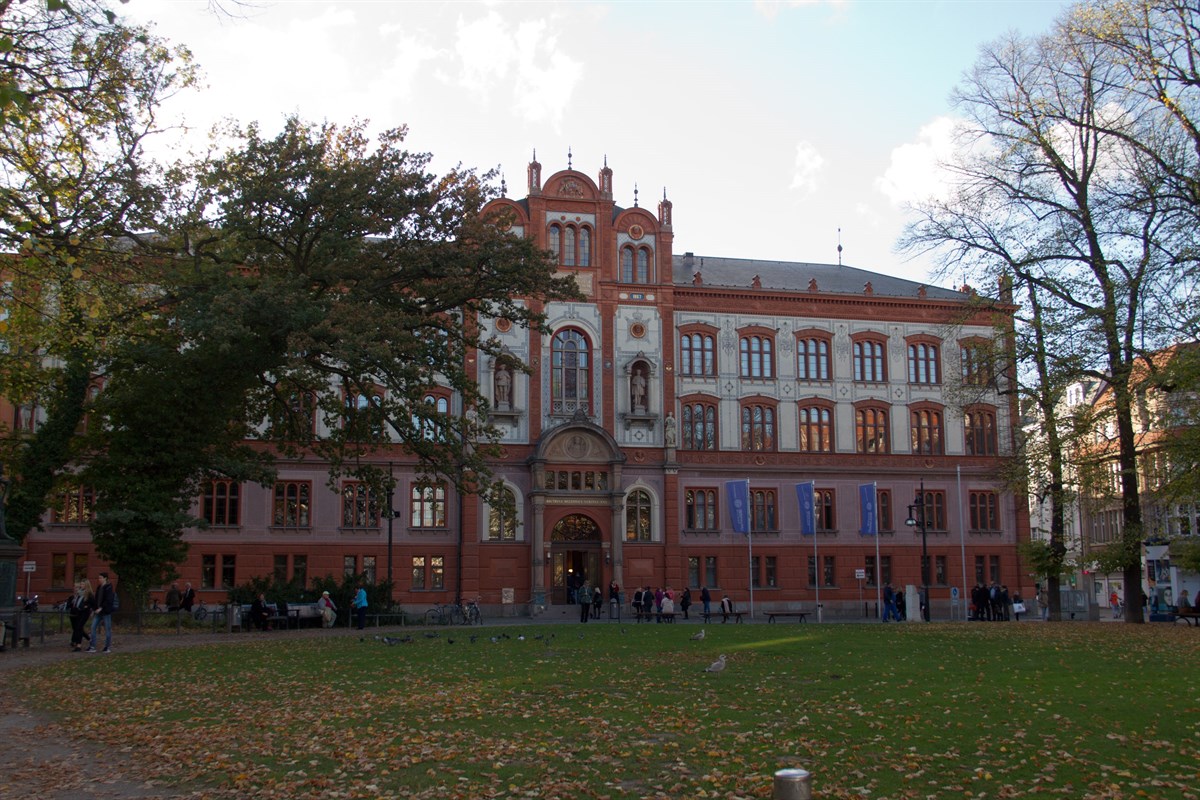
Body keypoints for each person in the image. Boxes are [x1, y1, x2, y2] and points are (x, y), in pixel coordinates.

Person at [88, 572, 115, 653]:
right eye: (99, 578)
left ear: (105, 578)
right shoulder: (99, 587)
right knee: (93, 627)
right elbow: (96, 600)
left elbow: (108, 600)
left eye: (100, 578)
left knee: (107, 629)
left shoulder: (109, 587)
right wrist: (94, 609)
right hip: (98, 611)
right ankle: (92, 646)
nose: (99, 579)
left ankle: (107, 647)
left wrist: (101, 608)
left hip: (105, 612)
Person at [67, 579, 93, 652]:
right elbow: (75, 603)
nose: (81, 586)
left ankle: (79, 644)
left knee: (79, 627)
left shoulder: (88, 594)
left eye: (82, 585)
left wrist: (87, 606)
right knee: (78, 628)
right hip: (78, 612)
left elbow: (92, 603)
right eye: (81, 585)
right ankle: (78, 643)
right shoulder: (79, 594)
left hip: (84, 613)